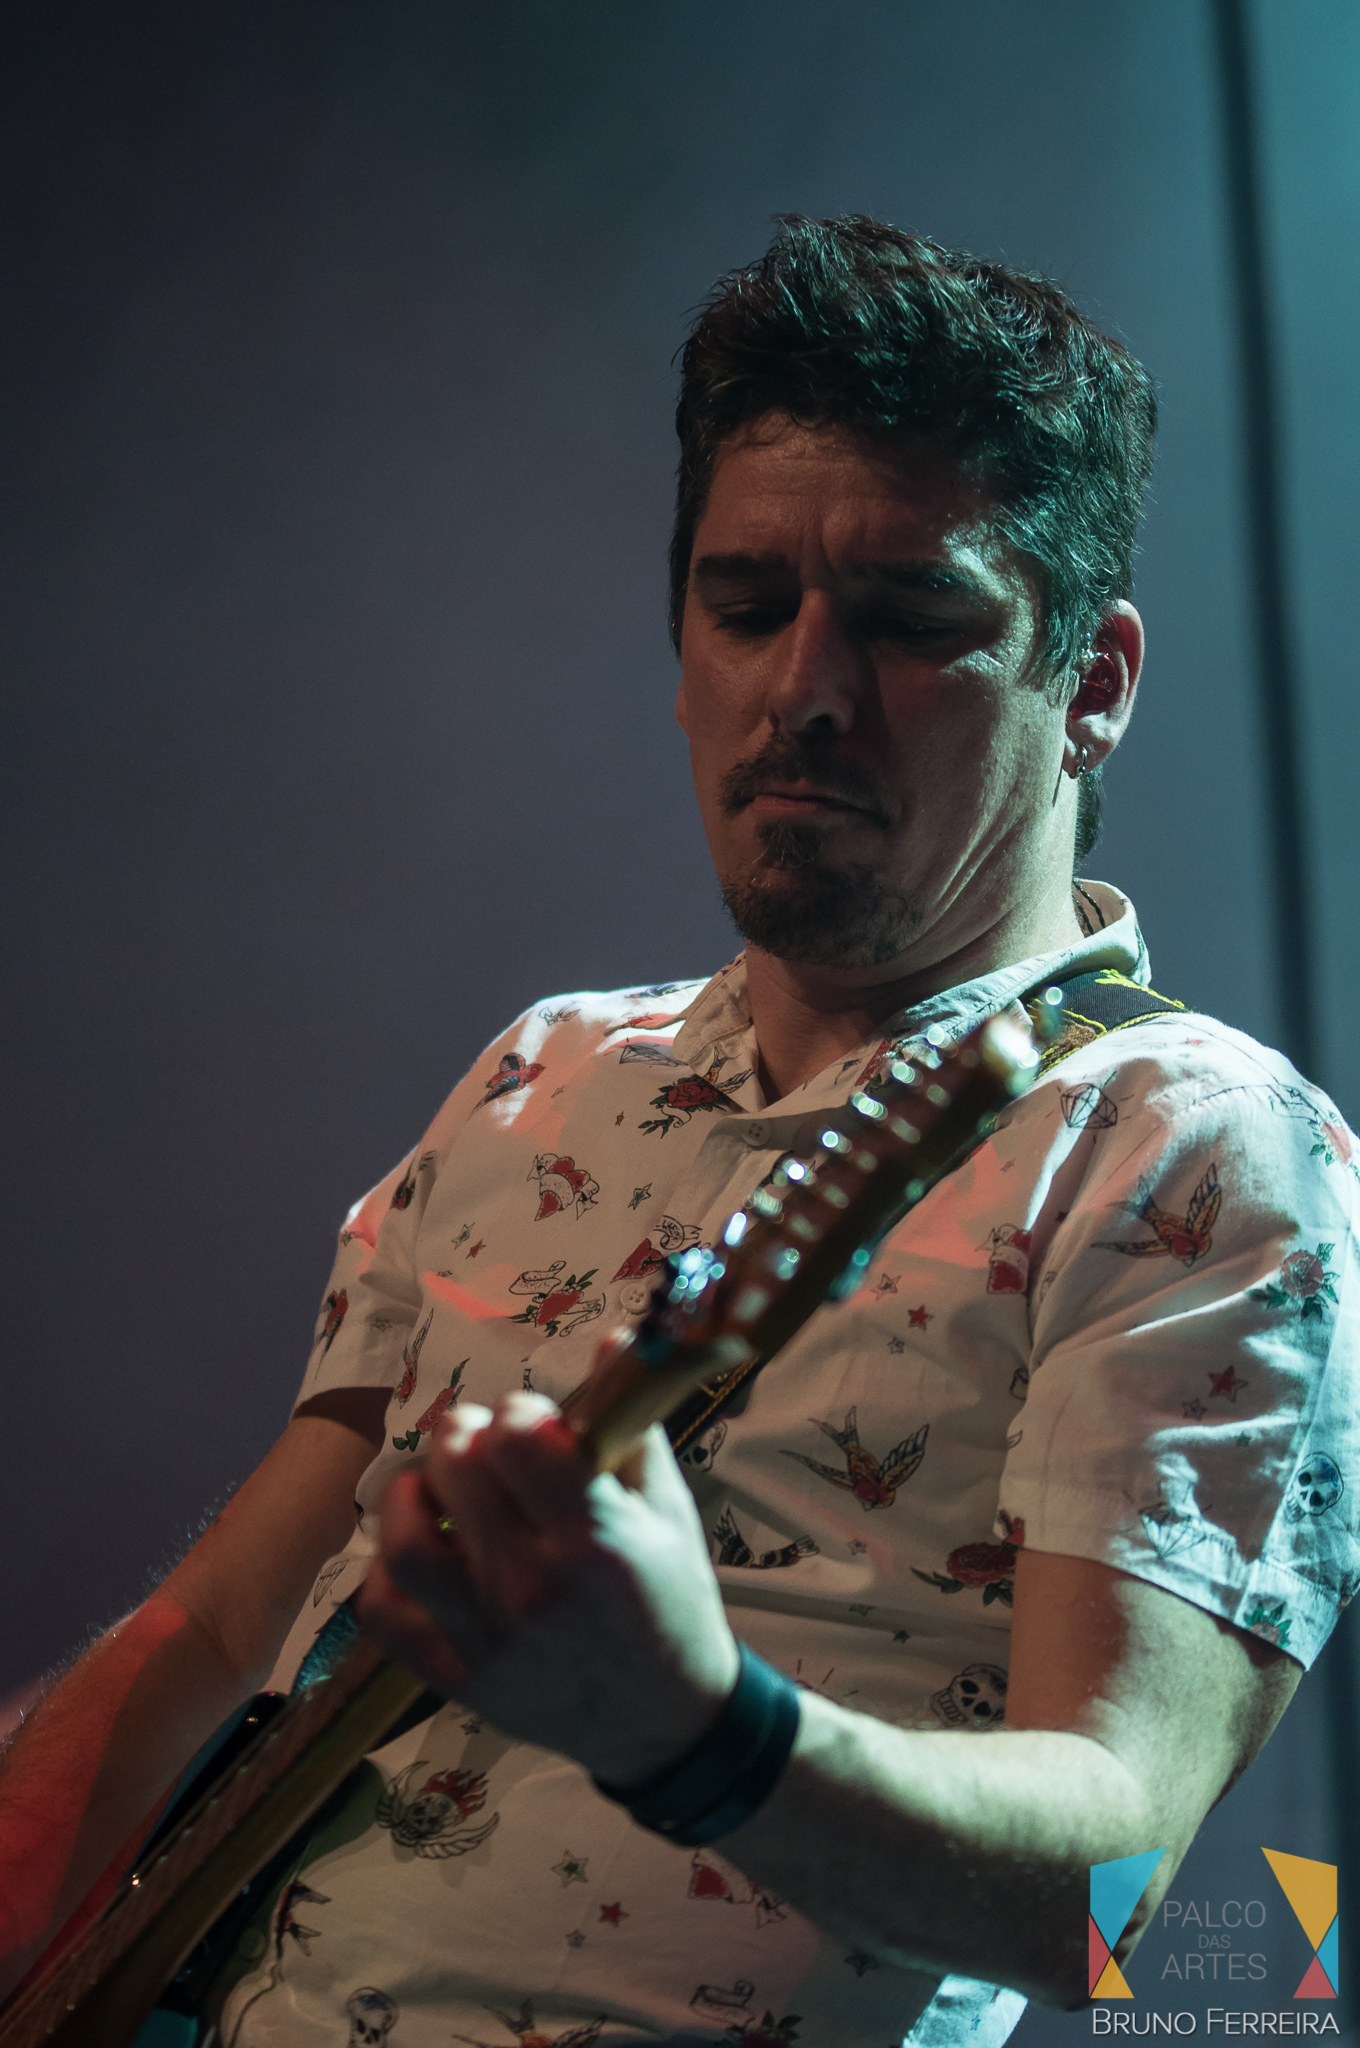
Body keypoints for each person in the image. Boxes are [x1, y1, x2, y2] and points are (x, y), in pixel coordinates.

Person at [2, 216, 1357, 2048]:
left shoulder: (1191, 1143)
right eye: (744, 607)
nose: (804, 688)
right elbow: (217, 1630)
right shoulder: (543, 1071)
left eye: (911, 620)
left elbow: (1116, 1895)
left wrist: (695, 1726)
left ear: (1094, 683)